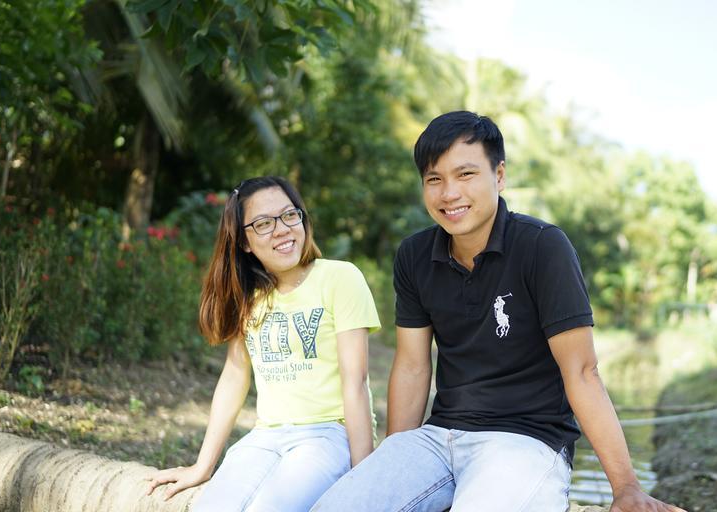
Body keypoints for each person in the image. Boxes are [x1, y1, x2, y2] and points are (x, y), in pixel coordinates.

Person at [312, 112, 684, 511]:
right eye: (434, 179)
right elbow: (413, 367)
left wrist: (626, 487)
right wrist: (397, 457)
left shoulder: (543, 246)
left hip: (525, 442)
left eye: (466, 174)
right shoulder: (414, 255)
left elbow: (582, 371)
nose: (449, 193)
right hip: (439, 438)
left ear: (499, 176)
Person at [145, 176, 380, 512]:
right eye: (264, 223)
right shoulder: (250, 295)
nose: (282, 229)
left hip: (328, 435)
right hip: (264, 437)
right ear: (244, 241)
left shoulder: (340, 278)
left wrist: (364, 477)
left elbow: (355, 381)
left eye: (289, 215)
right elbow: (235, 375)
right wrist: (202, 466)